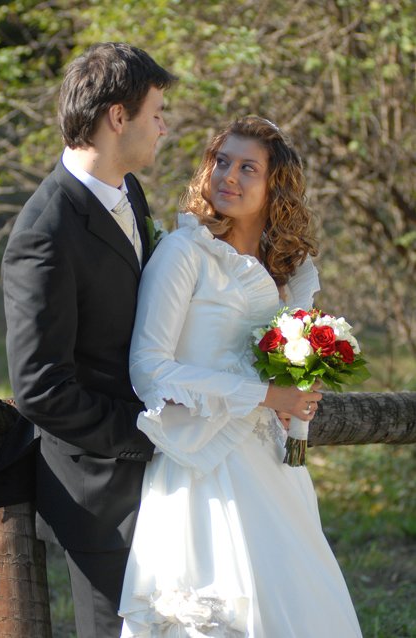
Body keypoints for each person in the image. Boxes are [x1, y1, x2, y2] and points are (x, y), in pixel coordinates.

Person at [118, 116, 363, 637]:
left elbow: (290, 371)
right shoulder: (185, 253)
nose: (227, 176)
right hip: (203, 460)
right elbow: (149, 367)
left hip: (274, 464)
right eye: (221, 162)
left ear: (276, 185)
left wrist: (298, 400)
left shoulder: (289, 271)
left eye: (248, 168)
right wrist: (265, 394)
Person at [0, 42, 176, 637]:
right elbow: (41, 388)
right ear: (118, 116)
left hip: (163, 477)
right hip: (101, 491)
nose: (164, 127)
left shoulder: (129, 191)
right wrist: (148, 434)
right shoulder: (45, 231)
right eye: (156, 113)